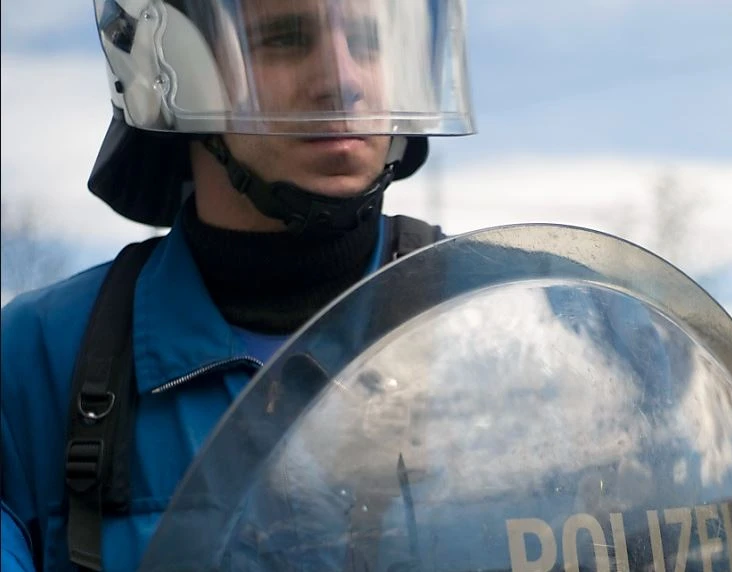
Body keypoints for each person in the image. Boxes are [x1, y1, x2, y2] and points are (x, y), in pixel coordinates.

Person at [1, 0, 474, 569]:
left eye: (369, 42)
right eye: (285, 38)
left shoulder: (504, 323)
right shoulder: (35, 362)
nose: (345, 83)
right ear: (169, 67)